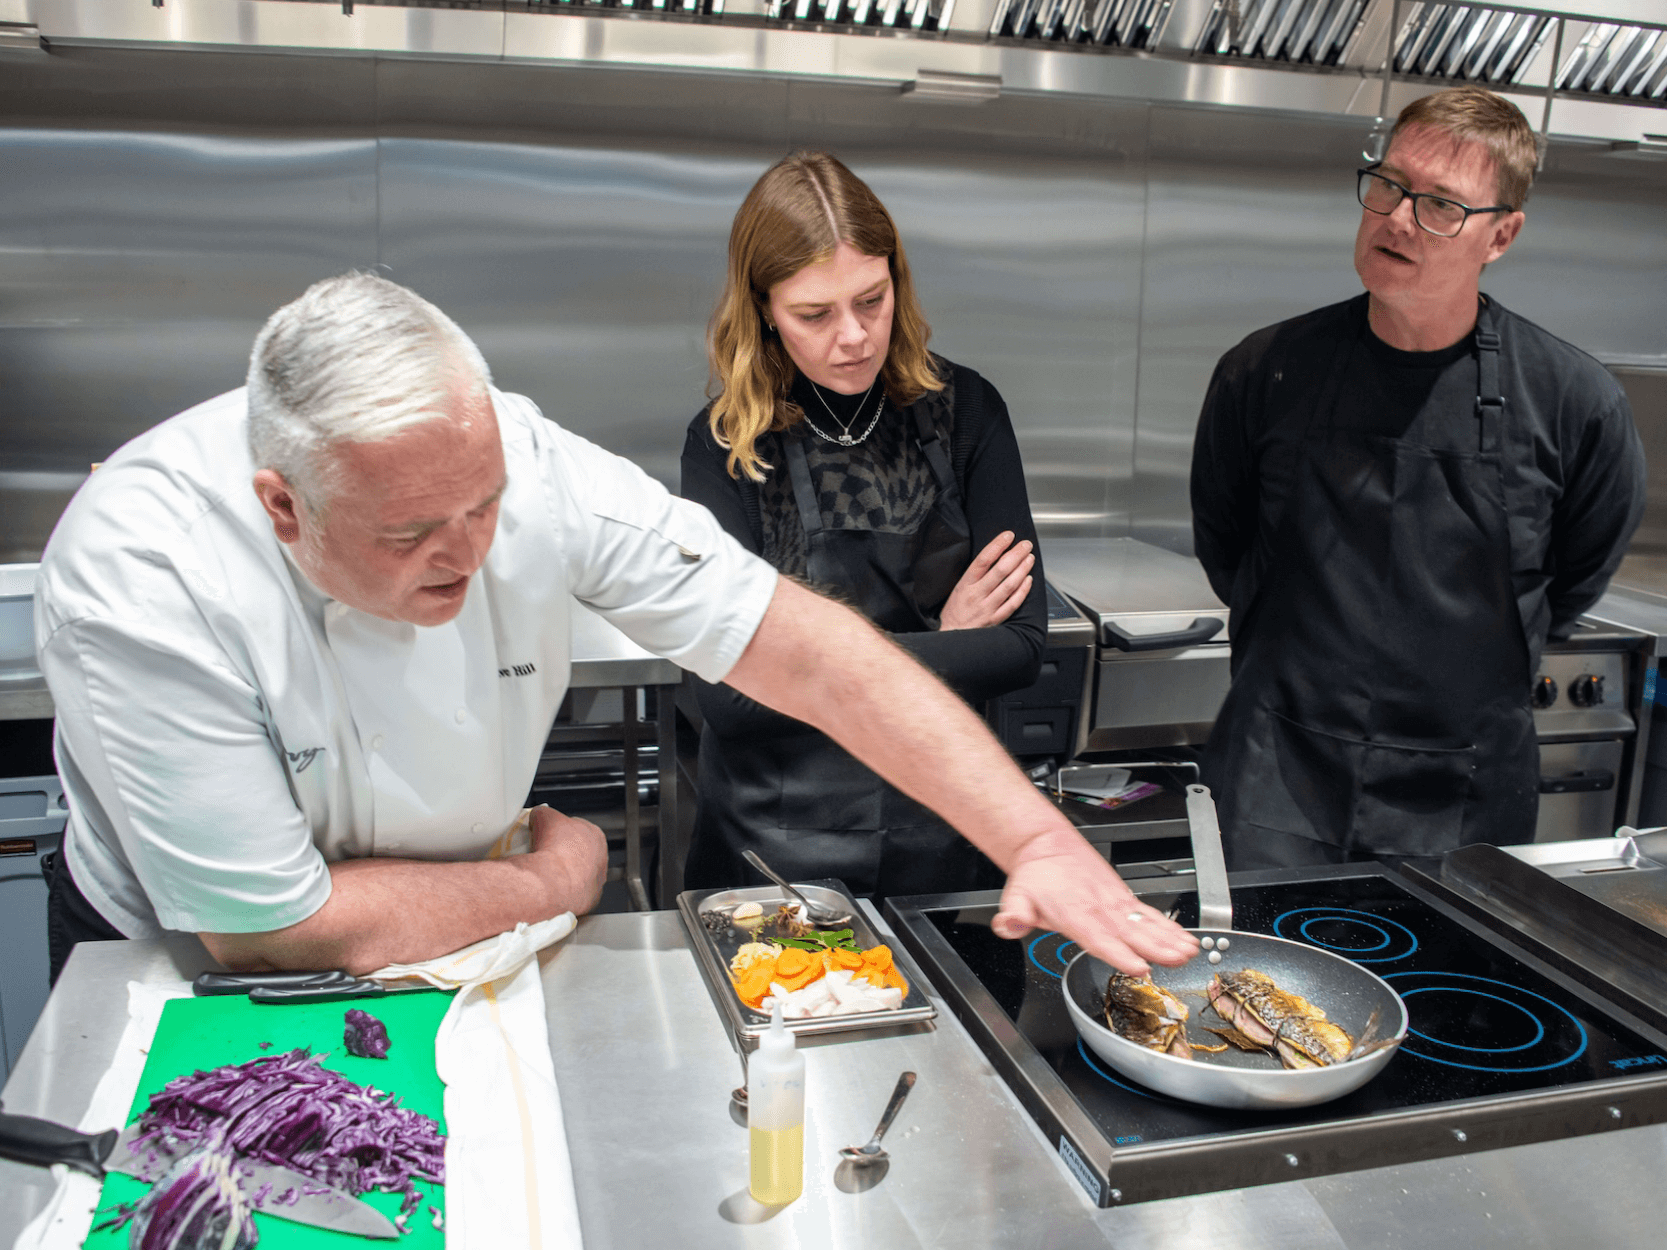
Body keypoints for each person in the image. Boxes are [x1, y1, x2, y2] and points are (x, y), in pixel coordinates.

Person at [38, 272, 1196, 982]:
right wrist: (555, 879)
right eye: (410, 534)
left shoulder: (541, 468)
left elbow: (812, 650)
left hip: (452, 928)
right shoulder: (146, 570)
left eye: (484, 502)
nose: (470, 550)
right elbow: (270, 928)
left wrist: (1033, 837)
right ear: (283, 504)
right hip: (187, 971)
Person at [1190, 86, 1646, 871]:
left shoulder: (1574, 401)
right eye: (1389, 185)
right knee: (1250, 987)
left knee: (1451, 993)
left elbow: (1573, 583)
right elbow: (1226, 548)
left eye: (1440, 204)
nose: (1398, 217)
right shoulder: (1264, 370)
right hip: (1276, 772)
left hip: (1463, 788)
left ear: (1500, 235)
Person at [680, 151, 1046, 901]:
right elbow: (727, 700)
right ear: (764, 314)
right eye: (814, 314)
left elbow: (1018, 648)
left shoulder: (967, 411)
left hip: (942, 827)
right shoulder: (724, 445)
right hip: (773, 858)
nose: (852, 337)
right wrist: (946, 644)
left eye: (871, 300)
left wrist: (794, 665)